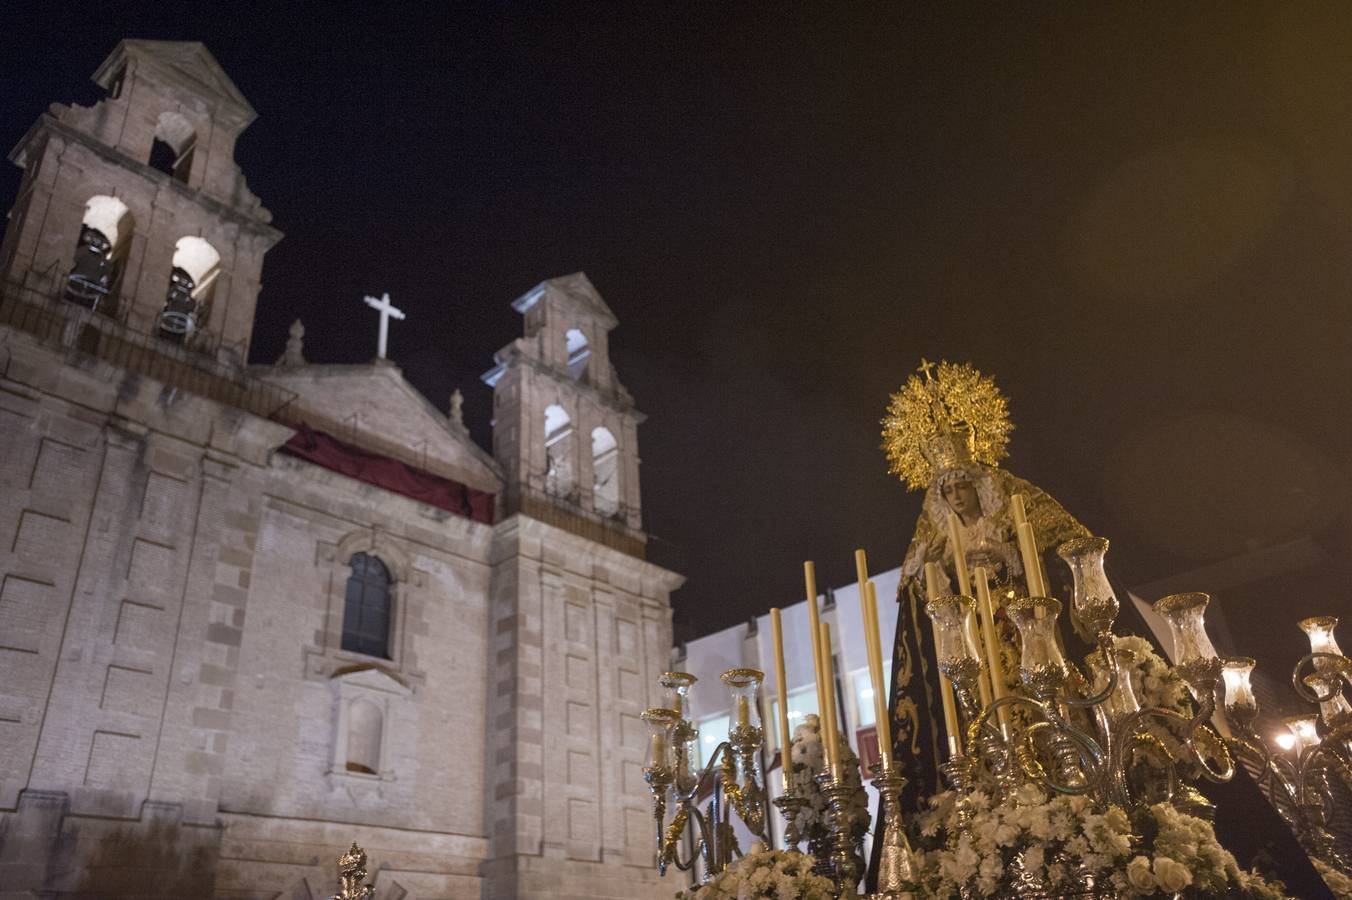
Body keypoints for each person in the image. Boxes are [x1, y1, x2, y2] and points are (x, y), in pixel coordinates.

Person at [868, 360, 1333, 898]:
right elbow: (918, 600)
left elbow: (1069, 552)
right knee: (992, 726)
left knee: (1062, 713)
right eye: (945, 492)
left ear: (979, 482)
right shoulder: (934, 538)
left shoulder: (1020, 506)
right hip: (981, 654)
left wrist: (1007, 560)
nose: (955, 498)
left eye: (962, 488)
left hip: (1033, 634)